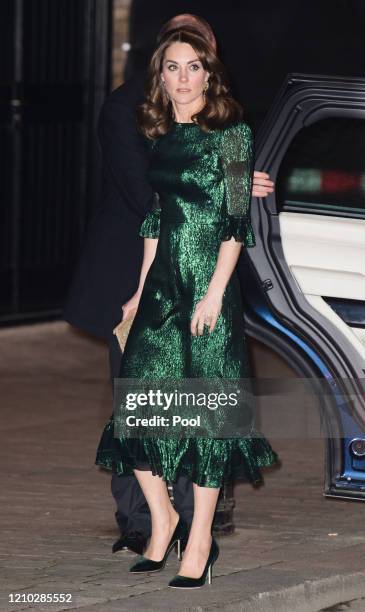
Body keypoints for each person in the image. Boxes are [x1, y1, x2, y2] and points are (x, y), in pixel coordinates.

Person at [63, 13, 275, 557]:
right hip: (134, 270)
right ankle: (140, 524)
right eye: (180, 53)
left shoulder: (214, 115)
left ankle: (191, 522)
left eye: (201, 50)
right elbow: (147, 194)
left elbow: (214, 182)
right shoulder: (125, 106)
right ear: (163, 52)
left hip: (195, 264)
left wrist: (231, 177)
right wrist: (223, 181)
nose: (188, 67)